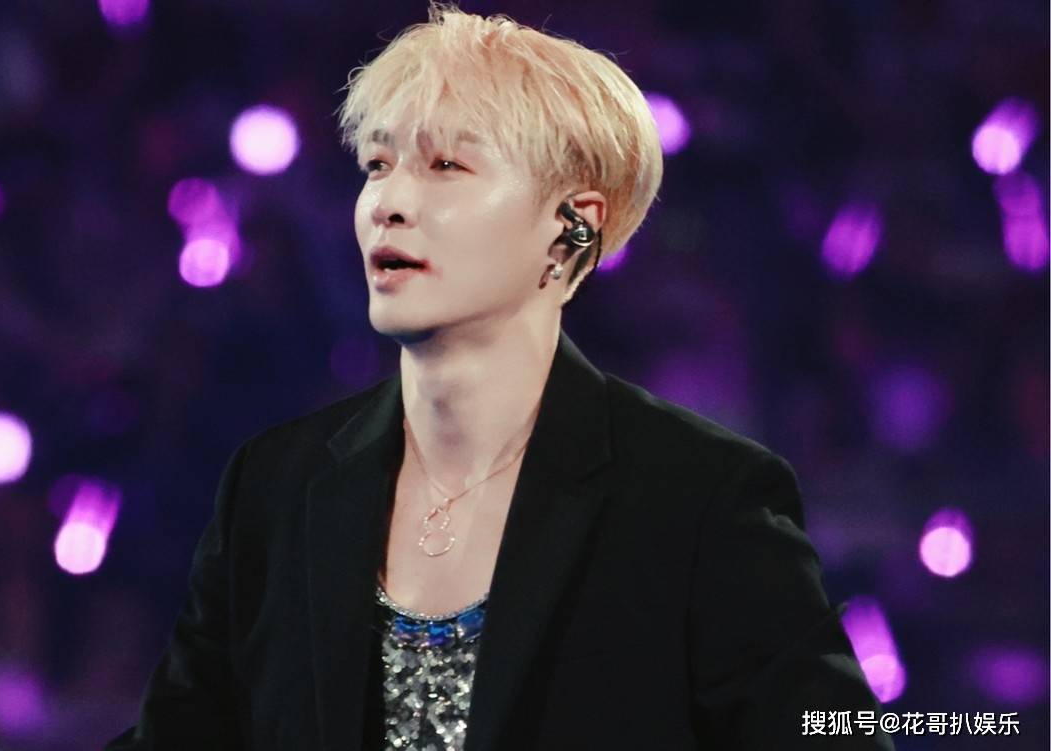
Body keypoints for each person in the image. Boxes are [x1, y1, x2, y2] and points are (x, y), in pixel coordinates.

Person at [107, 4, 895, 749]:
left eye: (446, 164)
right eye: (378, 163)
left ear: (572, 227)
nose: (388, 202)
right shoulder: (274, 487)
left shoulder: (701, 498)